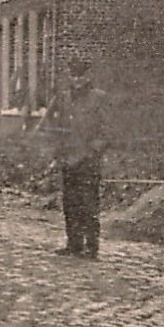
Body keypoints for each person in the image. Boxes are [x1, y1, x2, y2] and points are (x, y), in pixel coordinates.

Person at [50, 57, 109, 258]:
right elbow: (59, 129)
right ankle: (73, 244)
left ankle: (92, 247)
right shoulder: (64, 99)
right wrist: (59, 152)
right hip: (69, 158)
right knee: (70, 203)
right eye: (73, 75)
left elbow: (106, 130)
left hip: (88, 160)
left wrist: (92, 151)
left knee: (89, 203)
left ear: (88, 76)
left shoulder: (99, 98)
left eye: (80, 75)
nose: (77, 80)